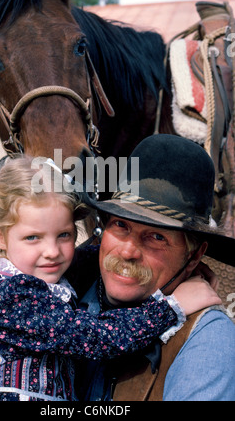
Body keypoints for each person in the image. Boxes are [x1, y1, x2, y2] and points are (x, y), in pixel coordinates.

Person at [0, 154, 218, 402]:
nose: (52, 252)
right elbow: (98, 337)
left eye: (64, 235)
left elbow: (107, 256)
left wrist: (186, 267)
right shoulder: (13, 296)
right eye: (32, 237)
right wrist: (171, 308)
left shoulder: (42, 272)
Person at [76, 134, 235, 402]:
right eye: (120, 225)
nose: (127, 252)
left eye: (157, 237)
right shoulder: (61, 292)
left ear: (194, 256)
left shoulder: (207, 339)